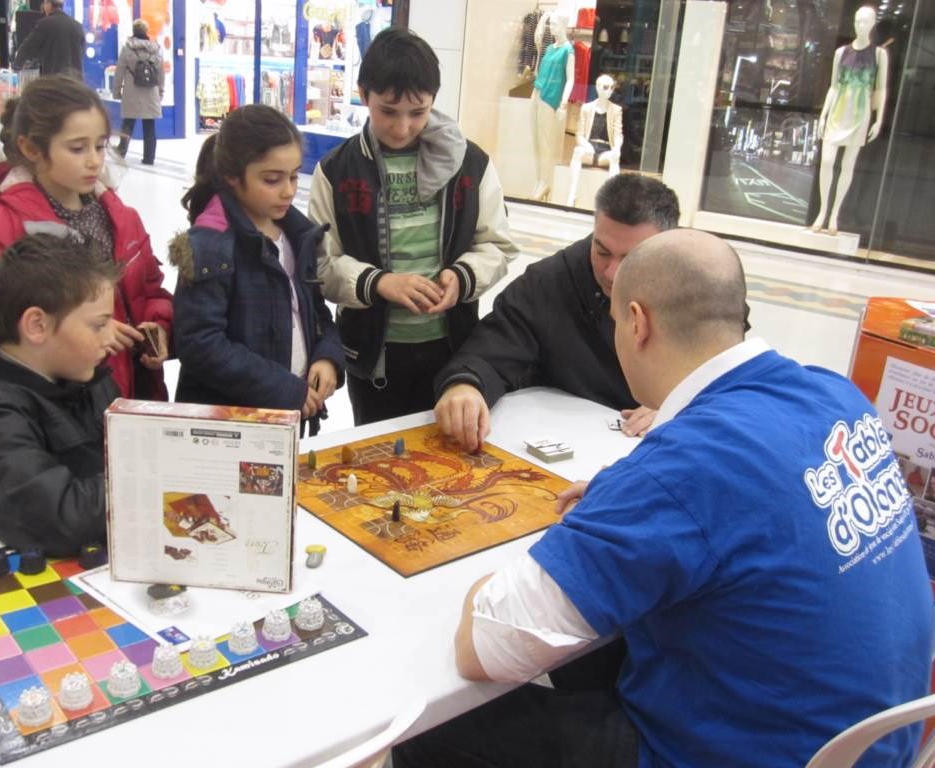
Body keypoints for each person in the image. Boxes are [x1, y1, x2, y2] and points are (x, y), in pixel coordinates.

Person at [396, 229, 935, 768]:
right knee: (594, 650)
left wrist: (597, 524)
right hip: (875, 744)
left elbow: (484, 647)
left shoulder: (683, 470)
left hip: (740, 755)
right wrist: (627, 496)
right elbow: (752, 496)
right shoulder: (833, 392)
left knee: (427, 725)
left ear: (637, 322)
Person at [309, 27, 514, 426]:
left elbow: (497, 245)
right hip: (373, 357)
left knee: (452, 453)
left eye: (418, 113)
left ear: (433, 100)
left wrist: (462, 276)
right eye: (388, 111)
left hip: (454, 351)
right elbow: (320, 263)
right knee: (378, 454)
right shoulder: (336, 170)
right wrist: (379, 282)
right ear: (363, 93)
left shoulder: (470, 163)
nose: (402, 127)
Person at [0, 75, 173, 400]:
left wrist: (158, 326)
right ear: (31, 148)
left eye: (100, 145)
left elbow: (149, 290)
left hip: (131, 397)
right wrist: (87, 335)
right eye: (77, 148)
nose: (94, 160)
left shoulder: (121, 217)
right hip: (54, 403)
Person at [434, 173, 679, 451]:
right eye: (601, 252)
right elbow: (493, 347)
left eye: (631, 258)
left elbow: (717, 379)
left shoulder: (697, 287)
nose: (611, 273)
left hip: (665, 446)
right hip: (572, 443)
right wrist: (466, 385)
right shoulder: (551, 282)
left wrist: (679, 405)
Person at [0, 234, 119, 557]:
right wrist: (158, 478)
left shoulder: (88, 377)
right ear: (36, 326)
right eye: (98, 325)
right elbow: (62, 518)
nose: (111, 337)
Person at [170, 105, 344, 436]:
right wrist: (283, 388)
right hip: (230, 428)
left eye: (294, 176)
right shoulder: (210, 245)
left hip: (287, 418)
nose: (288, 190)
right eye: (272, 180)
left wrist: (328, 356)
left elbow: (315, 312)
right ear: (232, 176)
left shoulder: (297, 234)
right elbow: (200, 344)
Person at [812, 5, 888, 234]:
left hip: (860, 113)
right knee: (827, 162)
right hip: (838, 111)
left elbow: (881, 89)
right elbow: (834, 86)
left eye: (865, 21)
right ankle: (822, 211)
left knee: (848, 165)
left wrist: (878, 119)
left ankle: (834, 214)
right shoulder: (841, 53)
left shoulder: (879, 55)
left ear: (873, 23)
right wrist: (823, 116)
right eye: (857, 21)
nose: (860, 26)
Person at [529, 11, 574, 201]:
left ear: (563, 26)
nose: (552, 28)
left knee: (546, 142)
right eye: (551, 25)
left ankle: (546, 181)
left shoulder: (568, 50)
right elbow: (537, 41)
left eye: (554, 25)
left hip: (551, 98)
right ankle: (539, 179)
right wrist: (543, 19)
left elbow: (571, 79)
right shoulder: (549, 48)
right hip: (537, 93)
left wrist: (564, 101)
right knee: (536, 141)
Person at [566, 74, 623, 207]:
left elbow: (618, 134)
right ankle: (572, 193)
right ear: (597, 88)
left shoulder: (616, 110)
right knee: (577, 152)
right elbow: (579, 134)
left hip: (606, 150)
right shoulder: (586, 108)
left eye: (612, 87)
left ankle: (610, 199)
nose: (609, 90)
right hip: (589, 149)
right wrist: (586, 145)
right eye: (606, 87)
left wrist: (617, 148)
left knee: (615, 158)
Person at [113, 18, 164, 166]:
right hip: (151, 91)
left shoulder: (127, 48)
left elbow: (119, 72)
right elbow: (161, 73)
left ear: (133, 31)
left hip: (132, 91)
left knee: (128, 122)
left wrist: (116, 91)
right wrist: (160, 91)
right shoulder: (156, 49)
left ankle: (121, 151)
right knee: (149, 125)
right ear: (146, 31)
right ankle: (149, 157)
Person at [11, 0, 84, 77]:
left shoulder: (45, 23)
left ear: (49, 5)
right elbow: (82, 51)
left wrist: (16, 65)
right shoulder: (77, 26)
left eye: (45, 3)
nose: (43, 7)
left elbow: (28, 46)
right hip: (75, 80)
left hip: (54, 79)